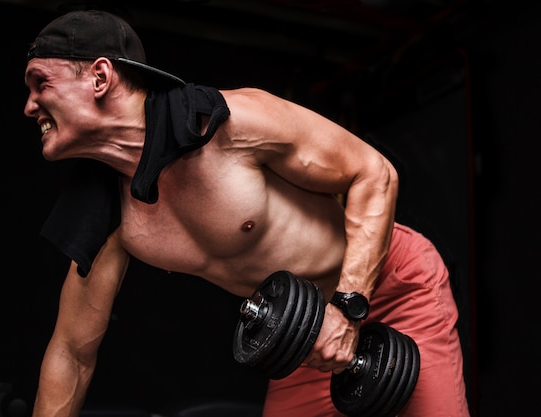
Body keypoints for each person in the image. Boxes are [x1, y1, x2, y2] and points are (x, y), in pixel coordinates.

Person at [23, 9, 470, 417]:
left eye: (41, 83)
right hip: (304, 335)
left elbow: (374, 174)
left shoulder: (231, 123)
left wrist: (347, 310)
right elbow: (71, 352)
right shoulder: (109, 216)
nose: (29, 106)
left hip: (392, 288)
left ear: (100, 77)